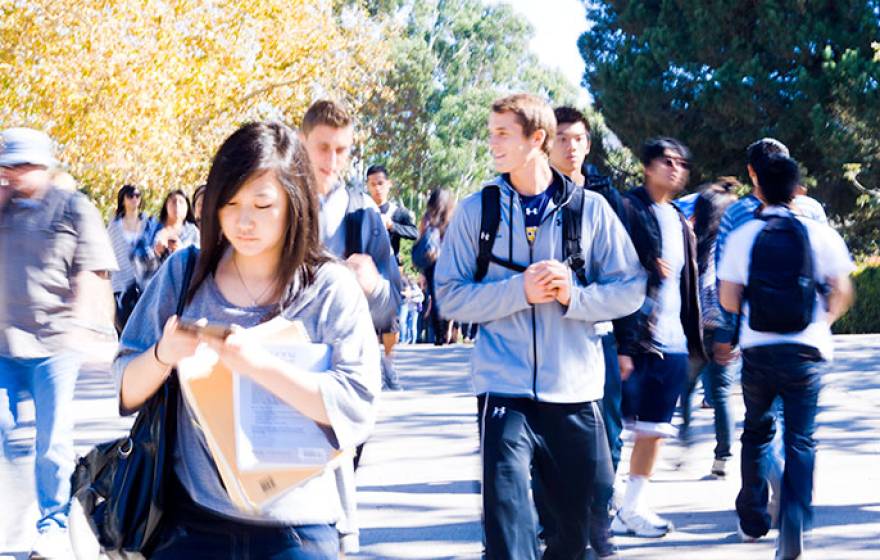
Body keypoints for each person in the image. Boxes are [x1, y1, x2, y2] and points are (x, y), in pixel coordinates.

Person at [113, 121, 381, 559]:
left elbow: (357, 406)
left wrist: (259, 365)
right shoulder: (185, 275)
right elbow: (124, 384)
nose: (243, 221)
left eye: (262, 204)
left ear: (295, 204)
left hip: (298, 531)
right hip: (190, 526)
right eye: (230, 203)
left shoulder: (329, 288)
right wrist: (163, 355)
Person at [435, 93, 645, 559]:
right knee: (508, 537)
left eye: (503, 133)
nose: (493, 143)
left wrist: (575, 296)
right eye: (491, 133)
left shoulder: (589, 210)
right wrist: (517, 291)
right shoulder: (478, 212)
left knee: (575, 539)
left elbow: (631, 288)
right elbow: (448, 296)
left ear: (537, 138)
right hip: (502, 392)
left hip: (574, 393)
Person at [718, 153, 854, 560]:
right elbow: (842, 291)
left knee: (757, 432)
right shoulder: (819, 234)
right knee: (801, 438)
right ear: (797, 189)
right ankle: (793, 521)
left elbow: (728, 297)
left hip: (758, 350)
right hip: (805, 351)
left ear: (756, 186)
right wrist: (822, 321)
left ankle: (754, 518)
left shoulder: (744, 234)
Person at [0, 127, 117, 558]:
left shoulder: (72, 207)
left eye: (23, 166)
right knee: (4, 428)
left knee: (52, 443)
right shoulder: (4, 207)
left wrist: (83, 324)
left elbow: (94, 270)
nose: (15, 175)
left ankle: (51, 525)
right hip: (5, 344)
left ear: (44, 167)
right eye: (8, 167)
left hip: (54, 344)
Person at [299, 99, 402, 552]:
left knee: (335, 494)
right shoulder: (273, 200)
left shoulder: (365, 217)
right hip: (285, 366)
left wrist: (374, 285)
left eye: (342, 151)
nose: (332, 161)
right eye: (323, 148)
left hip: (346, 373)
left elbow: (390, 308)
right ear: (301, 143)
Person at [611, 137, 705, 538]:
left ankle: (633, 507)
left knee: (654, 430)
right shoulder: (627, 209)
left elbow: (688, 285)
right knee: (611, 431)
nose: (674, 169)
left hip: (672, 341)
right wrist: (623, 344)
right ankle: (599, 505)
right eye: (666, 161)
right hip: (634, 339)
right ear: (647, 167)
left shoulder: (680, 219)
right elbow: (610, 267)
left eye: (681, 163)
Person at [548, 105, 629, 557]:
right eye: (563, 138)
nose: (571, 146)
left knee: (608, 429)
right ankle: (557, 518)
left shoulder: (604, 194)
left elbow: (627, 272)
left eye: (578, 138)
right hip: (550, 334)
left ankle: (601, 516)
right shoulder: (532, 196)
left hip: (601, 328)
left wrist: (630, 343)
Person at [678, 178, 740, 479]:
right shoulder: (732, 245)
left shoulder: (693, 242)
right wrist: (731, 336)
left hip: (696, 330)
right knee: (722, 395)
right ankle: (723, 458)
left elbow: (697, 290)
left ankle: (684, 439)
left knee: (685, 389)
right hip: (723, 329)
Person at [366, 165, 418, 382]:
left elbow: (415, 233)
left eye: (380, 183)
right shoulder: (362, 209)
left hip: (390, 271)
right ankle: (369, 365)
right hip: (366, 271)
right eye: (372, 184)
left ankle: (389, 363)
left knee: (390, 321)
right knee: (365, 320)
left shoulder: (398, 212)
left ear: (389, 184)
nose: (377, 188)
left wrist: (393, 226)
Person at [106, 184, 155, 332]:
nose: (134, 199)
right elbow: (109, 255)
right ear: (123, 199)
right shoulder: (114, 226)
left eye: (137, 195)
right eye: (130, 196)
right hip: (121, 284)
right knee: (125, 329)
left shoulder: (149, 223)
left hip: (146, 283)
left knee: (146, 329)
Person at [133, 189, 200, 288]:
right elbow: (137, 259)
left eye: (181, 202)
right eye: (173, 201)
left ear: (187, 208)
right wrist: (155, 252)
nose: (177, 205)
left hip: (182, 289)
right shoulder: (151, 227)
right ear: (166, 205)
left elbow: (199, 261)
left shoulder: (193, 231)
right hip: (154, 289)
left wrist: (181, 251)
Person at [418, 187, 457, 346]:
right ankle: (450, 328)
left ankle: (439, 335)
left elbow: (421, 240)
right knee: (451, 294)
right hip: (450, 261)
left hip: (431, 262)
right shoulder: (454, 216)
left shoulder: (427, 218)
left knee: (434, 297)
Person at [398, 275, 424, 345]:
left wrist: (411, 297)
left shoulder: (415, 286)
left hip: (414, 309)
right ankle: (407, 339)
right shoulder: (405, 286)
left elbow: (421, 296)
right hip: (407, 307)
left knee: (413, 326)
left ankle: (413, 341)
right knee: (407, 325)